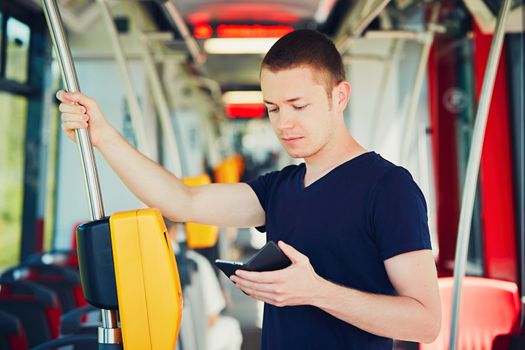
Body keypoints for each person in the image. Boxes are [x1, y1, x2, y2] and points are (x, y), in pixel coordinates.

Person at [58, 29, 441, 349]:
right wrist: (103, 136)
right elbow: (180, 200)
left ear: (339, 97)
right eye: (273, 108)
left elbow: (425, 322)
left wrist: (315, 291)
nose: (284, 123)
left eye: (298, 105)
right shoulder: (279, 189)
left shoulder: (388, 187)